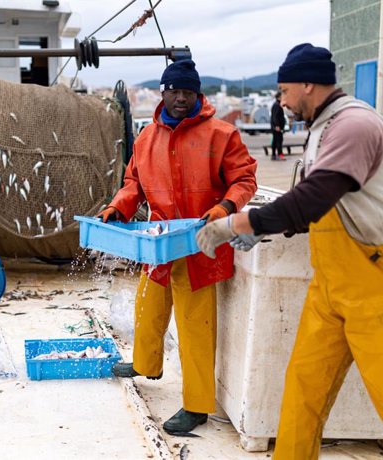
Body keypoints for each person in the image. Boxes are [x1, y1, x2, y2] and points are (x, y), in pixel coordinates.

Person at [196, 43, 383, 458]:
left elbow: (317, 195)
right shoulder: (323, 126)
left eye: (283, 90)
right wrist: (268, 229)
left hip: (380, 284)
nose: (280, 100)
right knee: (303, 390)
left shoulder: (354, 125)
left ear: (307, 83)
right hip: (332, 286)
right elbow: (317, 206)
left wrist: (238, 223)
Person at [99, 59, 257, 434]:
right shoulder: (145, 138)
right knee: (147, 307)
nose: (181, 98)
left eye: (188, 91)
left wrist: (223, 208)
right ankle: (144, 364)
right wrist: (117, 207)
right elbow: (133, 183)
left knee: (194, 327)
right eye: (175, 90)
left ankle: (197, 405)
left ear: (197, 93)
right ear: (163, 92)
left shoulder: (222, 134)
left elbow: (244, 178)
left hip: (200, 245)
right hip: (158, 243)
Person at [269, 91, 286, 161]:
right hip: (277, 127)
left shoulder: (277, 104)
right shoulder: (277, 105)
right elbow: (275, 117)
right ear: (279, 97)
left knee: (275, 141)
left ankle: (274, 155)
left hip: (276, 127)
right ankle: (280, 155)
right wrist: (277, 126)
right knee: (279, 141)